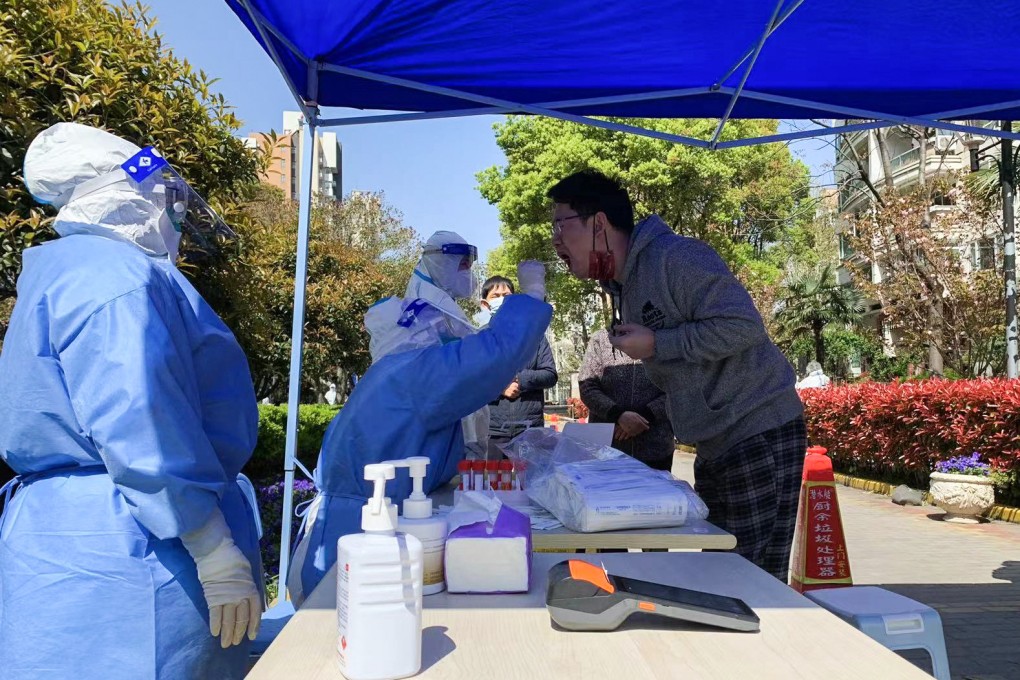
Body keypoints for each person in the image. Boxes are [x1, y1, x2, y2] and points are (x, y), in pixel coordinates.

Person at [0, 123, 263, 679]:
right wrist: (212, 544)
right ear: (128, 193)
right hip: (136, 539)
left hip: (72, 538)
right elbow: (142, 418)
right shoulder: (115, 278)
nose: (172, 210)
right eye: (163, 195)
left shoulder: (64, 269)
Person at [548, 170, 806, 582]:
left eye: (562, 224)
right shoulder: (624, 284)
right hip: (714, 441)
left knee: (750, 578)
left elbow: (743, 326)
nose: (556, 239)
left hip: (756, 427)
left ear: (598, 223)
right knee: (722, 568)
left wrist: (658, 344)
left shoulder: (675, 257)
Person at [287, 263, 552, 605]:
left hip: (349, 528)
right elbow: (493, 355)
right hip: (362, 540)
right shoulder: (417, 374)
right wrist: (531, 295)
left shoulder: (391, 371)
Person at [476, 275, 558, 452]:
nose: (502, 300)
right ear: (485, 304)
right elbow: (473, 380)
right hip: (493, 430)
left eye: (507, 295)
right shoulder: (479, 339)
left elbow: (550, 375)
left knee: (532, 479)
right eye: (496, 296)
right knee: (496, 479)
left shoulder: (535, 336)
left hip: (530, 429)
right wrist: (500, 388)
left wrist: (520, 379)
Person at [579, 329, 675, 471]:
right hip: (607, 450)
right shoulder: (601, 339)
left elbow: (679, 387)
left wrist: (645, 417)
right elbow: (587, 386)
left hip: (655, 449)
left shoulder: (666, 337)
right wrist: (617, 415)